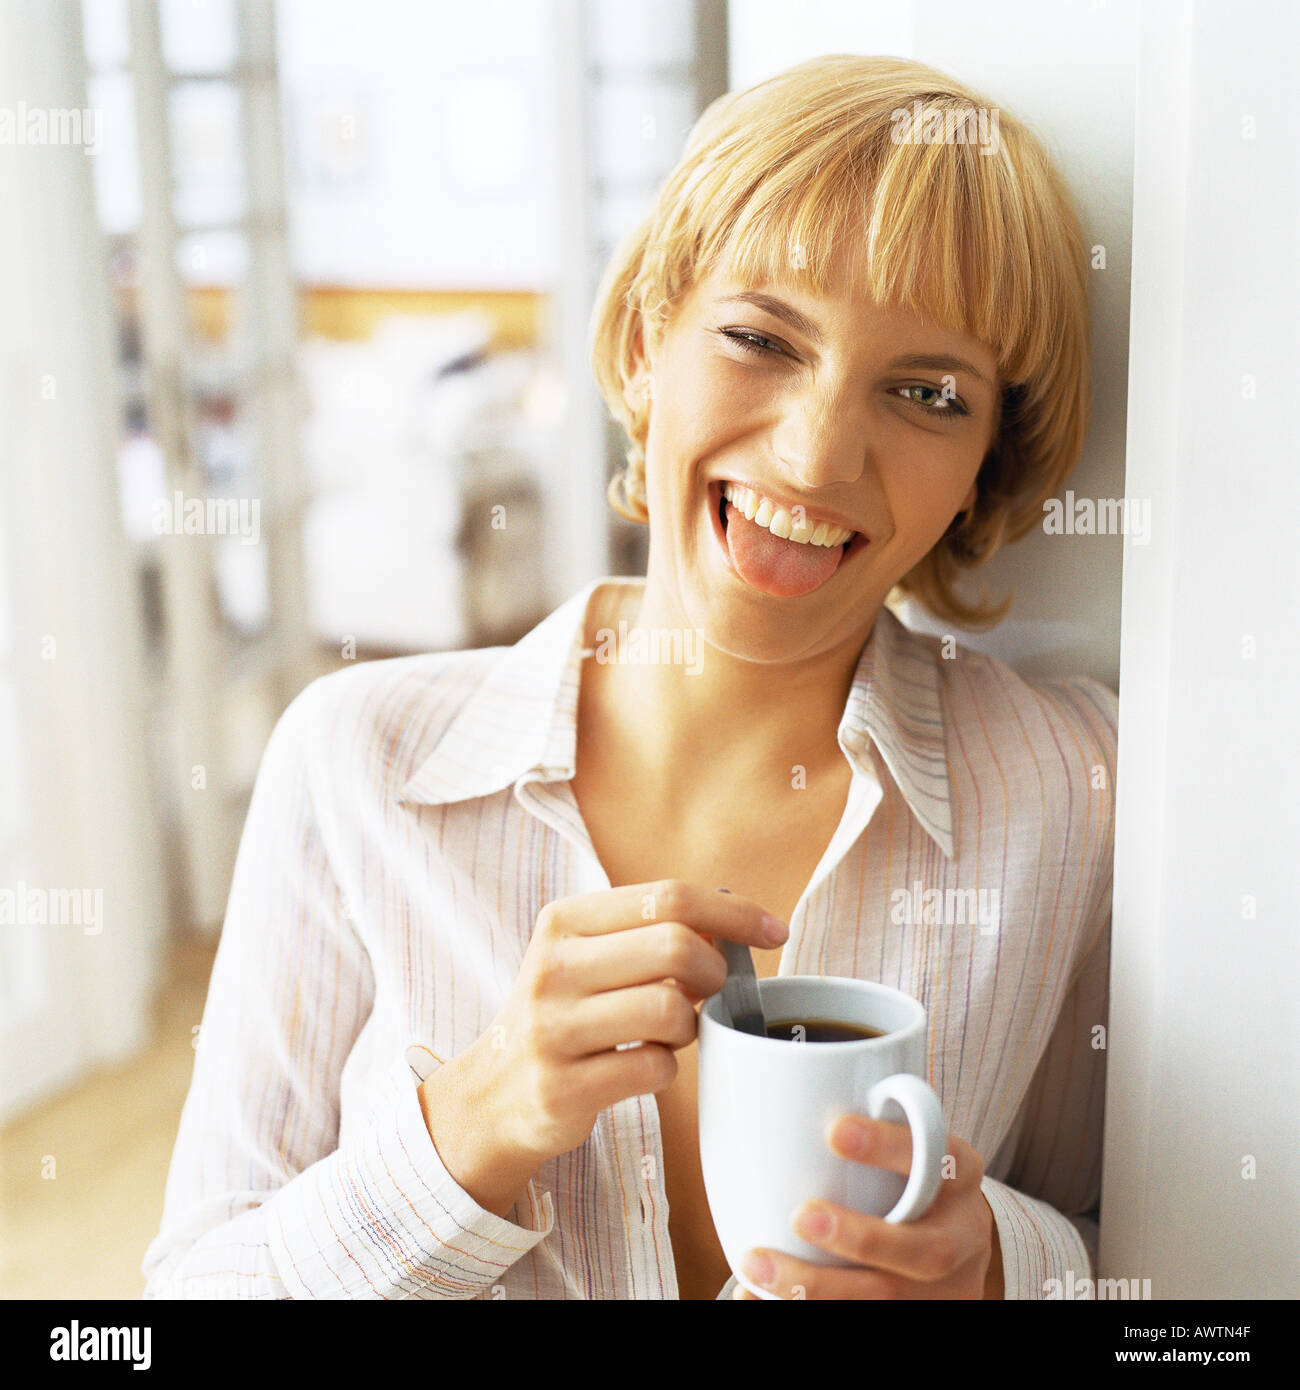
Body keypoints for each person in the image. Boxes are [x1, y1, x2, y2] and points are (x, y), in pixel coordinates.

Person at [142, 54, 1116, 1301]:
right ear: (649, 343)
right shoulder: (355, 760)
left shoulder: (1072, 794)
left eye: (926, 393)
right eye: (761, 337)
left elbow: (1159, 1266)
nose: (816, 453)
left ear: (989, 459)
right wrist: (470, 1129)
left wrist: (995, 1275)